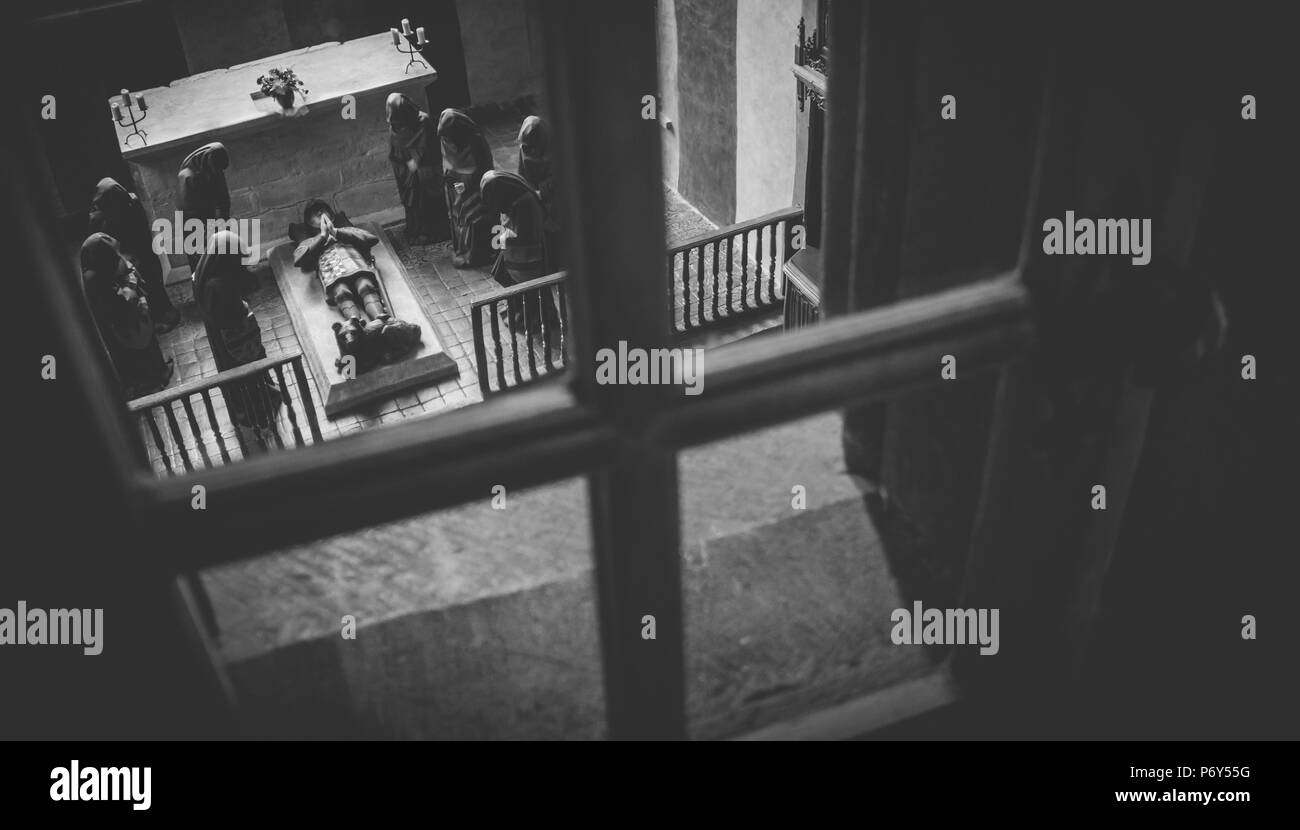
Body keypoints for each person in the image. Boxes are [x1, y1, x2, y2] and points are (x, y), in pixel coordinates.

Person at [291, 200, 421, 372]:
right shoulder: (309, 241)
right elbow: (300, 260)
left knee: (366, 287)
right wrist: (322, 237)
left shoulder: (345, 230)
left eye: (323, 210)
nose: (320, 213)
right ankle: (357, 328)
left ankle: (383, 319)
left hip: (355, 262)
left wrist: (337, 232)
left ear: (332, 214)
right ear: (308, 222)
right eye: (314, 213)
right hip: (332, 270)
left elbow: (370, 238)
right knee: (341, 293)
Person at [191, 230, 282, 437]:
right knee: (249, 378)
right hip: (236, 342)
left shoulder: (202, 272)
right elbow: (236, 316)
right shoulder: (219, 287)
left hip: (221, 339)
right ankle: (257, 412)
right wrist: (244, 307)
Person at [80, 233, 174, 397]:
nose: (116, 257)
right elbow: (119, 301)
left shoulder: (98, 264)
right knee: (137, 353)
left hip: (126, 318)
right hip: (122, 322)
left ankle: (156, 373)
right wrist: (130, 283)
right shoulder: (94, 278)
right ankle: (151, 380)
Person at [88, 177, 179, 332]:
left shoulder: (130, 201)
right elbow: (104, 243)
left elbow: (141, 226)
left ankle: (165, 311)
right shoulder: (98, 217)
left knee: (154, 280)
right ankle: (153, 319)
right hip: (126, 256)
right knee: (141, 287)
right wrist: (125, 258)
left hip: (142, 248)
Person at [481, 170, 561, 345]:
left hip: (530, 255)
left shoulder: (525, 203)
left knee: (530, 289)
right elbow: (504, 224)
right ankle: (518, 312)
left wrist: (504, 239)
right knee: (503, 274)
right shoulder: (508, 196)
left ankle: (532, 320)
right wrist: (501, 241)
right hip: (514, 250)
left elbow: (526, 234)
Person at [437, 108, 495, 268]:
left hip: (474, 185)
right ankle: (462, 248)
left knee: (472, 217)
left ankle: (475, 253)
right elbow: (447, 161)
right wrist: (450, 177)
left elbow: (485, 168)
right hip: (455, 185)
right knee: (457, 218)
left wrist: (469, 182)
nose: (448, 141)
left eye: (450, 137)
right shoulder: (445, 138)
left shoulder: (474, 140)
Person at [386, 93, 446, 247]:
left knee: (427, 200)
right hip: (405, 170)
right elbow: (395, 152)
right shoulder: (394, 125)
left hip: (426, 169)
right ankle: (416, 229)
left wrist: (417, 162)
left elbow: (433, 147)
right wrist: (405, 165)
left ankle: (434, 231)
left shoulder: (423, 121)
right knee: (413, 202)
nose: (398, 125)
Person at [177, 142, 231, 273]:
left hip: (214, 221)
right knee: (204, 264)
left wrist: (221, 220)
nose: (218, 172)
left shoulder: (213, 169)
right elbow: (190, 214)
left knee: (223, 255)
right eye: (216, 169)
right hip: (197, 228)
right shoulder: (187, 177)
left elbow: (223, 198)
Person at [516, 115, 562, 268]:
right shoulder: (525, 148)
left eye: (534, 146)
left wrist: (542, 192)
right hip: (534, 192)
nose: (531, 151)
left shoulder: (556, 149)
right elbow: (522, 173)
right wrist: (527, 192)